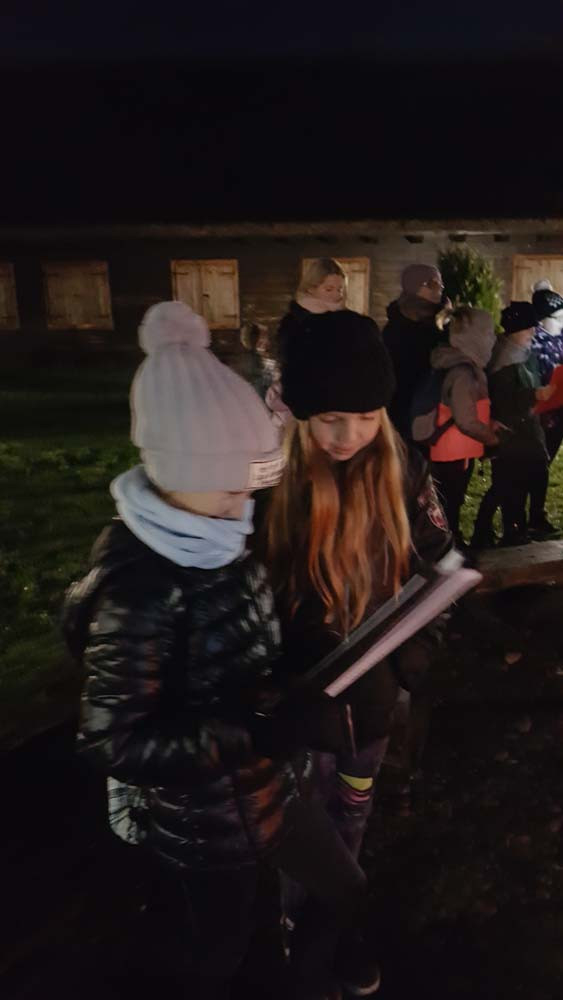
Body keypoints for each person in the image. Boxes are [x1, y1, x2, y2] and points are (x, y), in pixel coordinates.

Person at [62, 301, 381, 1000]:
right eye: (232, 483)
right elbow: (113, 740)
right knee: (219, 955)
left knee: (344, 890)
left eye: (250, 481)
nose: (246, 502)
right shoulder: (140, 589)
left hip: (271, 791)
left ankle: (308, 979)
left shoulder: (219, 536)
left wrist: (309, 656)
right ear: (174, 470)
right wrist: (250, 731)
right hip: (203, 828)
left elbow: (250, 646)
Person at [258, 314, 452, 908]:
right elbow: (245, 592)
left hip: (374, 697)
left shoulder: (404, 471)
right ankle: (296, 922)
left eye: (368, 418)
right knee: (301, 825)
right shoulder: (269, 484)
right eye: (330, 419)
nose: (350, 435)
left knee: (354, 806)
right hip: (300, 701)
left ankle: (338, 912)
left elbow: (435, 558)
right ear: (300, 415)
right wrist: (278, 675)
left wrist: (416, 651)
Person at [427, 307, 499, 546]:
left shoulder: (462, 366)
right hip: (452, 456)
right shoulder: (463, 373)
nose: (493, 338)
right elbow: (466, 420)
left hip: (457, 454)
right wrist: (492, 438)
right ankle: (448, 546)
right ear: (473, 337)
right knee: (450, 503)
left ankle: (451, 543)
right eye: (488, 333)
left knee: (450, 502)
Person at [484, 302, 554, 546]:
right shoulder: (503, 361)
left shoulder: (525, 354)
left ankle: (527, 525)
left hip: (530, 430)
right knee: (511, 486)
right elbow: (504, 400)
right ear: (514, 329)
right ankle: (511, 532)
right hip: (512, 435)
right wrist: (535, 395)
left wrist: (543, 406)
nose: (534, 332)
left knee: (534, 474)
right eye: (528, 328)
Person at [383, 264, 449, 439]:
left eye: (441, 285)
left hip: (435, 413)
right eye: (433, 284)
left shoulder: (443, 322)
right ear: (415, 286)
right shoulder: (396, 326)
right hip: (403, 409)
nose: (440, 289)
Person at [529, 288, 563, 536]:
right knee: (537, 463)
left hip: (558, 409)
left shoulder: (559, 336)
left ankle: (536, 515)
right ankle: (530, 517)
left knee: (545, 462)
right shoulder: (534, 342)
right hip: (542, 411)